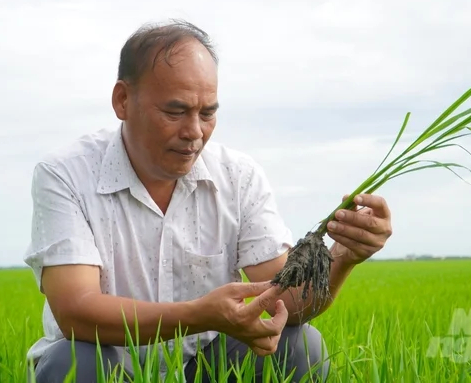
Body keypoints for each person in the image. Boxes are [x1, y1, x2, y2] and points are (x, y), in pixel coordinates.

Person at [23, 20, 393, 383]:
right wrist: (198, 315)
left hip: (205, 367)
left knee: (300, 347)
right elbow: (75, 309)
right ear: (123, 100)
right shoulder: (66, 174)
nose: (195, 132)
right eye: (175, 111)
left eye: (208, 113)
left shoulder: (237, 177)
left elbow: (285, 300)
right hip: (112, 366)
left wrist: (344, 256)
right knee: (73, 362)